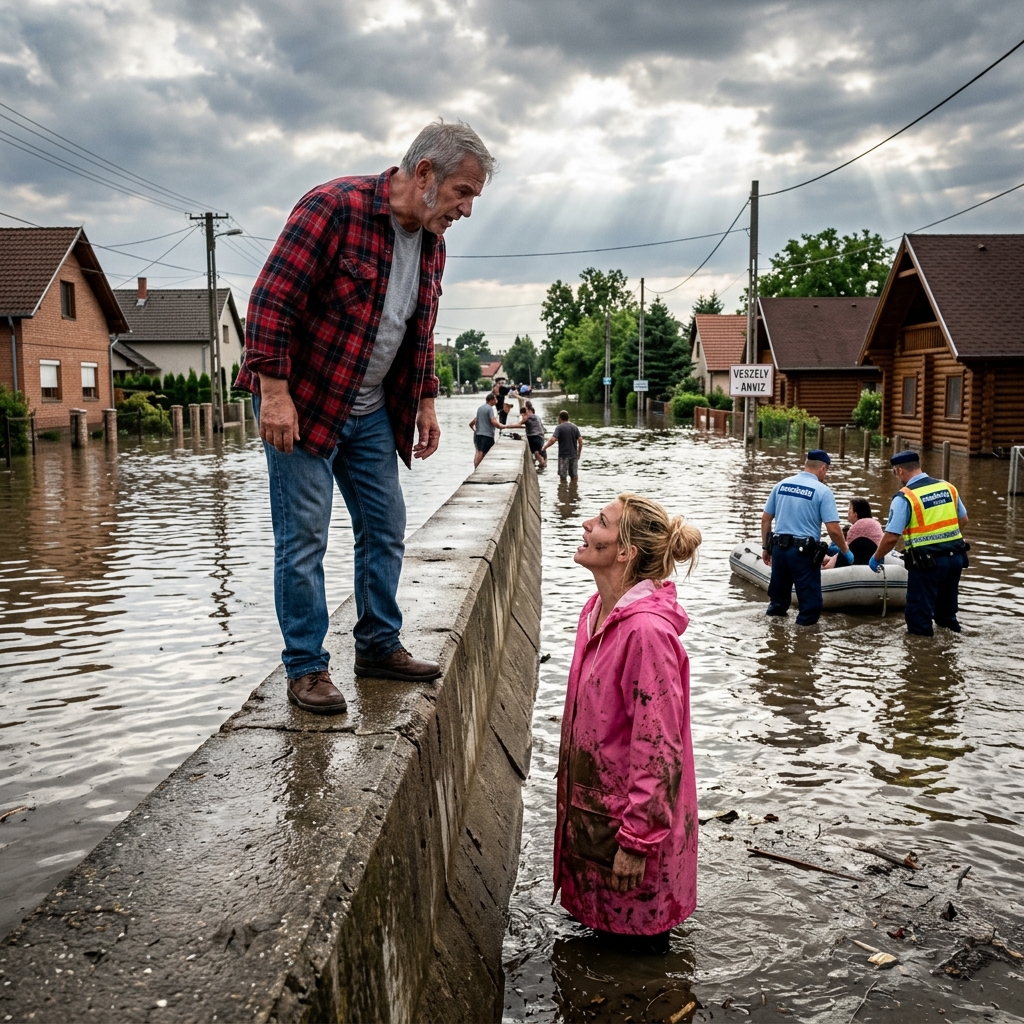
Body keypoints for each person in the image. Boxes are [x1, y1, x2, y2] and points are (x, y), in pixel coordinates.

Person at [236, 119, 494, 714]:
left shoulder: (433, 242)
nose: (466, 210)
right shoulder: (334, 208)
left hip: (373, 407)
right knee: (303, 538)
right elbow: (270, 302)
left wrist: (427, 401)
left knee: (385, 526)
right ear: (424, 173)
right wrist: (273, 395)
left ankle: (377, 644)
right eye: (463, 193)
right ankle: (305, 667)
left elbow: (419, 330)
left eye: (471, 198)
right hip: (304, 403)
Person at [554, 493, 702, 955]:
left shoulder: (646, 633)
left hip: (631, 830)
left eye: (600, 522)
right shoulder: (594, 612)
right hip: (598, 816)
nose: (585, 525)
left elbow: (658, 748)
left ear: (625, 552)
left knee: (640, 964)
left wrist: (637, 841)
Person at [869, 450, 969, 636]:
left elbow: (891, 537)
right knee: (947, 615)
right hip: (955, 558)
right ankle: (949, 655)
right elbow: (963, 520)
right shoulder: (948, 487)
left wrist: (877, 557)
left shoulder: (905, 497)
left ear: (899, 471)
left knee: (918, 619)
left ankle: (922, 660)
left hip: (927, 564)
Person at [760, 450, 853, 625]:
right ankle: (804, 648)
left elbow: (766, 519)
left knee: (778, 603)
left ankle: (775, 644)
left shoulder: (781, 485)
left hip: (779, 550)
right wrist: (846, 551)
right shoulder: (823, 491)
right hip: (803, 554)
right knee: (810, 608)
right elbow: (833, 529)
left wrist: (766, 548)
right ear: (823, 468)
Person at [822, 498, 883, 569]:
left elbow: (846, 551)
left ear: (855, 514)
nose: (848, 513)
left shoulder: (855, 529)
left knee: (833, 548)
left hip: (855, 562)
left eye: (850, 510)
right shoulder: (877, 526)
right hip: (874, 561)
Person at [544, 410, 583, 479]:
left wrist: (545, 447)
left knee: (563, 477)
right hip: (573, 456)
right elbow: (580, 441)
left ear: (560, 418)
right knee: (574, 476)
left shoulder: (559, 427)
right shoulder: (575, 427)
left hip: (563, 456)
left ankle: (563, 489)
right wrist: (578, 453)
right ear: (568, 418)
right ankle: (574, 489)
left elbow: (553, 439)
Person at [507, 399, 546, 468]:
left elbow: (519, 424)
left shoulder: (526, 417)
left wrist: (506, 426)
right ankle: (542, 467)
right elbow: (541, 428)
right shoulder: (537, 417)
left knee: (536, 453)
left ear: (526, 408)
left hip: (532, 437)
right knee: (538, 454)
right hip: (540, 436)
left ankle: (542, 465)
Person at [469, 392, 502, 467]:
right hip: (487, 435)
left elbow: (472, 423)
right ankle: (482, 467)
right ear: (491, 400)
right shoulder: (490, 409)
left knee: (478, 451)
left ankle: (476, 469)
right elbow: (493, 421)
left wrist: (475, 431)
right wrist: (501, 426)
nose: (496, 400)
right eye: (495, 399)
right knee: (485, 452)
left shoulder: (480, 408)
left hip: (478, 434)